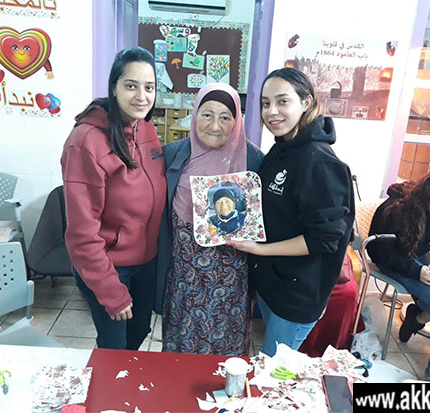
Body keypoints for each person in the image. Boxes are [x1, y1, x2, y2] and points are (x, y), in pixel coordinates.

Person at [229, 68, 355, 357]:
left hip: (296, 296)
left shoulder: (321, 163)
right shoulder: (282, 148)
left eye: (282, 101)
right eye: (265, 103)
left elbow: (323, 239)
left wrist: (259, 249)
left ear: (306, 102)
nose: (271, 111)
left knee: (272, 372)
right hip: (271, 284)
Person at [61, 47, 166, 350]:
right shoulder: (86, 142)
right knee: (113, 349)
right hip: (110, 267)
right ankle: (107, 383)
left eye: (149, 87)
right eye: (131, 86)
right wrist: (111, 291)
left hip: (146, 263)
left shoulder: (144, 127)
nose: (142, 96)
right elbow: (81, 232)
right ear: (114, 87)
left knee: (138, 333)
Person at [156, 82, 263, 356]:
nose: (215, 126)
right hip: (183, 285)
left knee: (225, 362)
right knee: (180, 357)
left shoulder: (254, 161)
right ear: (194, 116)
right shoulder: (172, 156)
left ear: (237, 121)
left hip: (231, 290)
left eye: (225, 117)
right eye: (207, 115)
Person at [367, 170, 430, 343]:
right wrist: (417, 272)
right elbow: (383, 254)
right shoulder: (396, 211)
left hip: (416, 256)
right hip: (392, 260)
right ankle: (418, 314)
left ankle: (416, 319)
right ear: (428, 194)